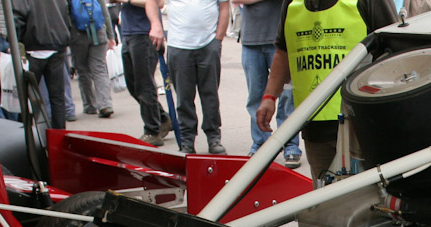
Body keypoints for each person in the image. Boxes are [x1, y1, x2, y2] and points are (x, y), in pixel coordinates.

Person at [256, 0, 396, 180]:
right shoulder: (292, 4)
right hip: (315, 125)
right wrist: (269, 96)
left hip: (361, 126)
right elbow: (284, 51)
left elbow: (394, 47)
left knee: (365, 197)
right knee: (324, 195)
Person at [147, 0, 229, 154]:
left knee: (210, 96)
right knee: (184, 98)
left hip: (208, 44)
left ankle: (214, 138)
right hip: (179, 46)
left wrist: (218, 39)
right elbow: (151, 2)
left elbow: (224, 7)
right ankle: (187, 140)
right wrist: (155, 24)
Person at [234, 0, 302, 164]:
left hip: (281, 42)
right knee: (256, 98)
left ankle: (290, 145)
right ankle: (261, 144)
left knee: (287, 97)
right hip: (251, 41)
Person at [12, 0, 72, 130]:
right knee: (57, 98)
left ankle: (26, 137)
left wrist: (16, 42)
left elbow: (18, 19)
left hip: (33, 46)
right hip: (57, 44)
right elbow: (67, 12)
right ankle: (59, 136)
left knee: (25, 98)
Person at [120, 0, 171, 144]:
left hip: (144, 33)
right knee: (133, 85)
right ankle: (162, 118)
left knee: (144, 84)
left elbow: (158, 3)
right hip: (128, 31)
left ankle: (152, 131)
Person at [69, 0, 115, 117]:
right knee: (100, 69)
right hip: (98, 32)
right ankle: (105, 105)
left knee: (82, 70)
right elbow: (105, 13)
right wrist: (110, 35)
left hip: (77, 36)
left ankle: (90, 106)